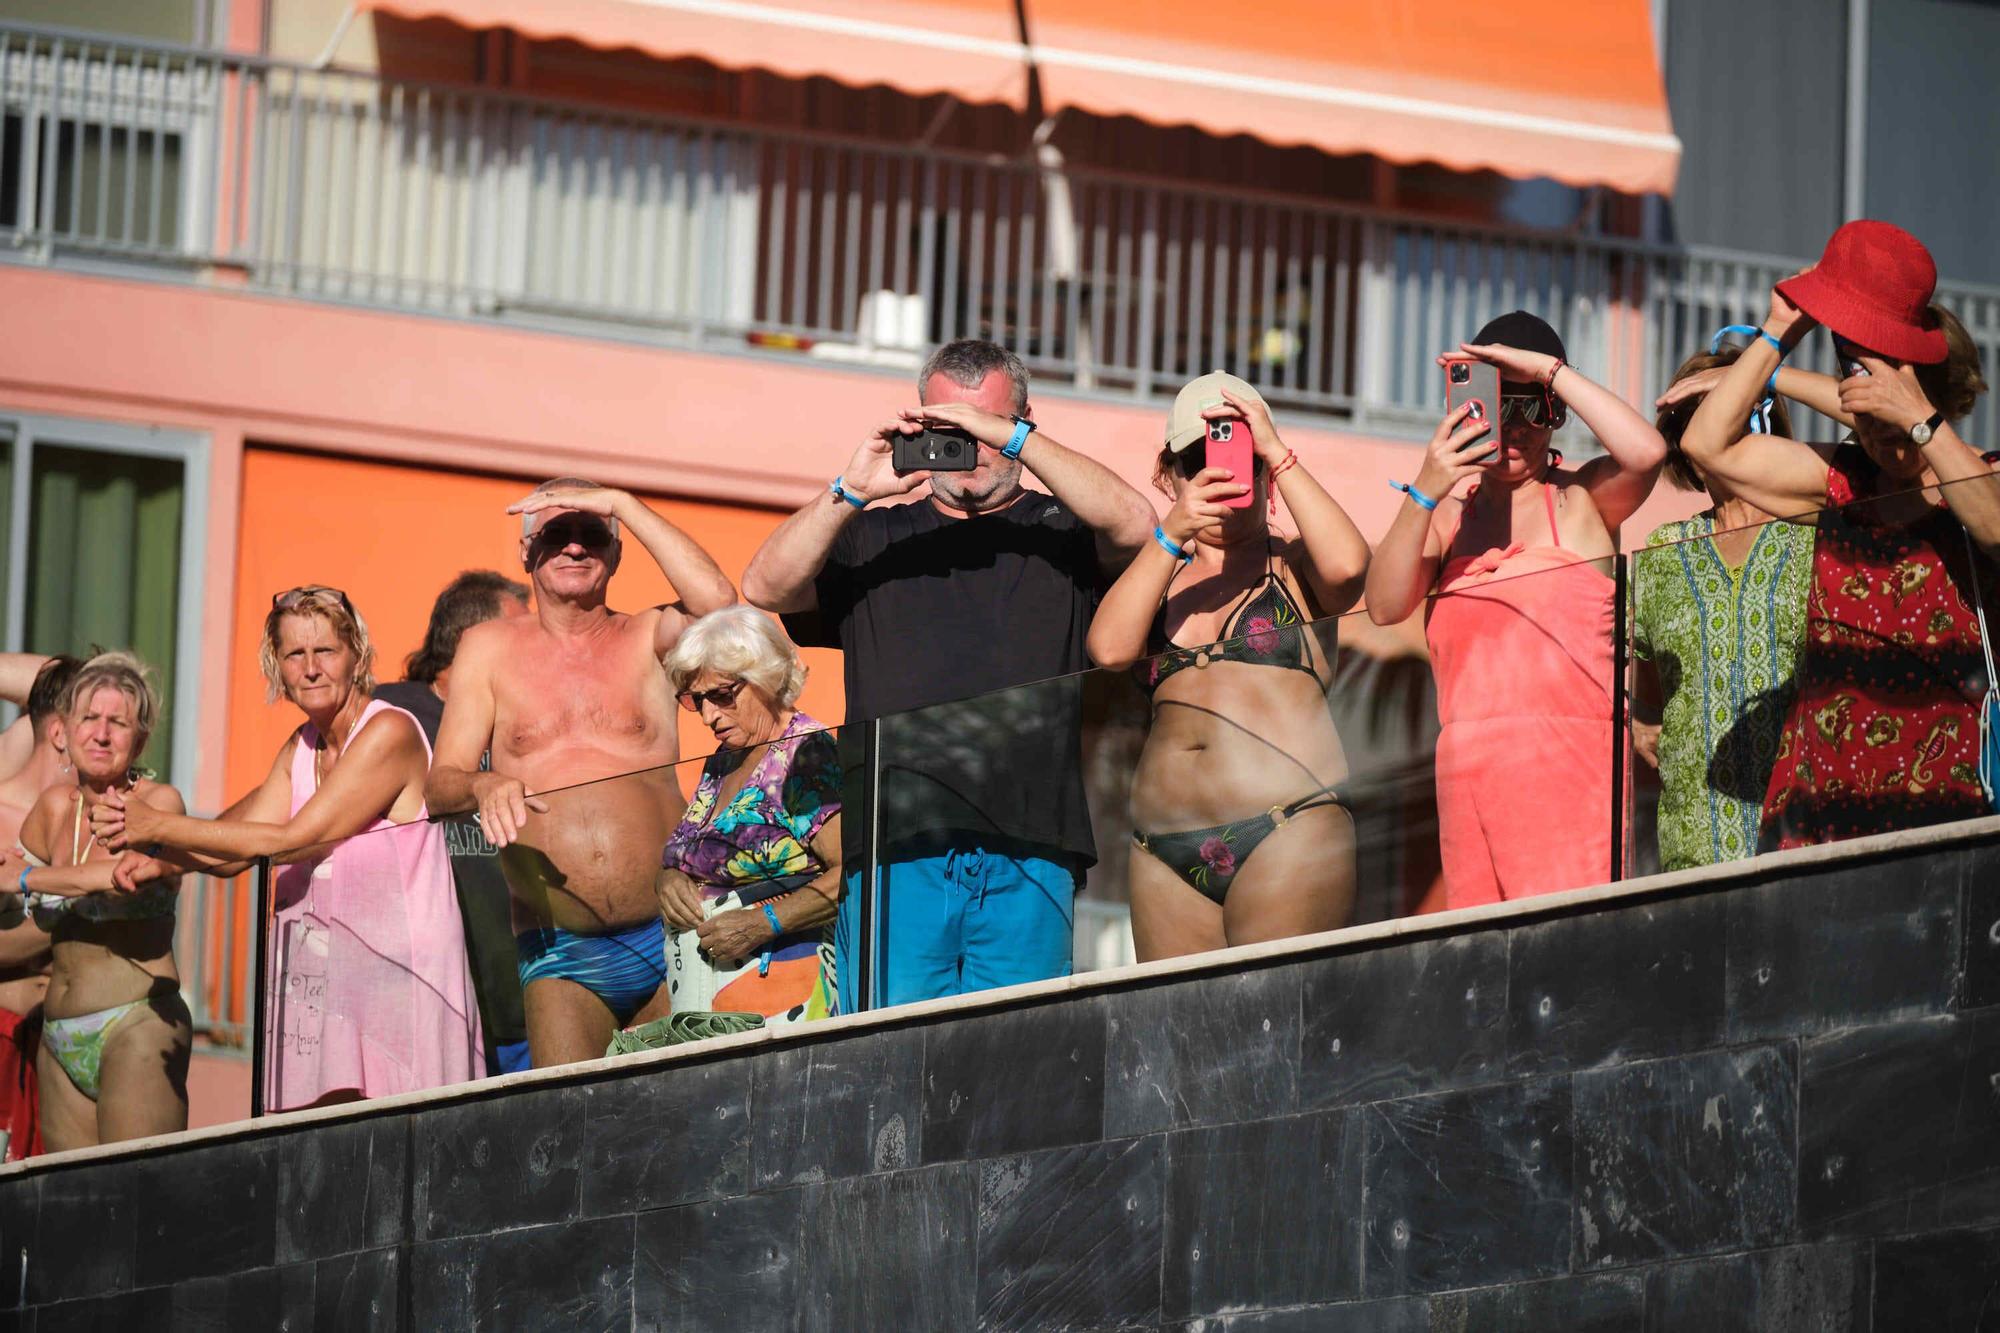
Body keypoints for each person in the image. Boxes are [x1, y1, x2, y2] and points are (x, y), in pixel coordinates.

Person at [742, 338, 1154, 1009]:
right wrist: (851, 489)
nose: (969, 446)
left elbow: (1138, 523)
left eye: (985, 427)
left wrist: (1013, 441)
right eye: (947, 426)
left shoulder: (1063, 534)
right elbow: (763, 584)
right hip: (894, 851)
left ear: (1023, 422)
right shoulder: (869, 536)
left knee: (1018, 1066)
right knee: (890, 1065)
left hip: (1032, 848)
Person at [92, 588, 483, 1112]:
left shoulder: (389, 730)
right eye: (295, 654)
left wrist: (156, 824)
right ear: (277, 666)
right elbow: (236, 852)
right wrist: (161, 854)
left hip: (400, 998)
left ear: (358, 657)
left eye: (326, 651)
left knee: (393, 1165)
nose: (312, 668)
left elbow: (294, 839)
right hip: (327, 998)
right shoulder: (301, 747)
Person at [1679, 220, 1999, 849]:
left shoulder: (1980, 479)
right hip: (1818, 812)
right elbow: (1705, 444)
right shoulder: (1841, 481)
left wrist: (1918, 420)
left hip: (1940, 814)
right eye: (1861, 406)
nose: (1876, 427)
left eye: (1889, 405)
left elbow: (1994, 526)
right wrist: (1778, 336)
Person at [428, 480, 736, 1065]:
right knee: (567, 1131)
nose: (574, 548)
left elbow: (719, 604)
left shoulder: (649, 636)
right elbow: (440, 784)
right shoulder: (487, 648)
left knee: (680, 1119)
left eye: (593, 535)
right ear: (526, 553)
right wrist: (482, 783)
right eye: (555, 535)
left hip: (671, 926)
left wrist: (620, 504)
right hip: (560, 949)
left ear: (617, 553)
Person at [1365, 311, 1668, 906]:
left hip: (1567, 771)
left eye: (1537, 409)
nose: (1519, 427)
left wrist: (1548, 372)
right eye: (1500, 405)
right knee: (1484, 969)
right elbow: (1382, 604)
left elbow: (1646, 451)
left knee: (1569, 951)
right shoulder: (1448, 518)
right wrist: (1429, 483)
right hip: (1467, 780)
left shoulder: (1579, 500)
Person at [1086, 373, 1370, 960]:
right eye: (1196, 460)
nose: (1217, 474)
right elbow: (1109, 651)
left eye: (1241, 457)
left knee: (1274, 1023)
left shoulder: (1293, 565)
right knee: (1176, 1037)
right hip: (1162, 849)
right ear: (1169, 473)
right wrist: (1172, 532)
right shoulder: (1157, 570)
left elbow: (1347, 570)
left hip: (1289, 826)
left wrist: (1278, 453)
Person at [1634, 348, 1815, 870]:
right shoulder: (1663, 552)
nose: (1719, 429)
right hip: (1691, 855)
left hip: (1802, 844)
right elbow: (1630, 669)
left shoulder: (1817, 535)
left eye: (1736, 409)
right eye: (1701, 415)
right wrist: (1635, 721)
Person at [0, 653, 188, 1152]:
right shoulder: (53, 808)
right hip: (59, 1035)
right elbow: (28, 915)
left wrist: (25, 876)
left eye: (118, 722)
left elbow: (115, 876)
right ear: (64, 730)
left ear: (140, 738)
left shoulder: (158, 804)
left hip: (137, 1023)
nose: (101, 734)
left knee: (136, 1202)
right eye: (89, 718)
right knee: (72, 1209)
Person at [375, 571, 535, 1076]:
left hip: (523, 995)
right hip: (429, 1001)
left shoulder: (527, 717)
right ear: (473, 641)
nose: (538, 643)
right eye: (522, 632)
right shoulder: (387, 717)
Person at [657, 607, 841, 1025]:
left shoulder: (803, 756)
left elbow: (852, 874)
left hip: (783, 999)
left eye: (722, 695)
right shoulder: (725, 758)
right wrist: (667, 877)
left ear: (767, 678)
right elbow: (693, 851)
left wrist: (764, 922)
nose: (708, 716)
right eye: (695, 700)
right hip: (710, 998)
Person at [0, 655, 78, 1160]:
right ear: (57, 731)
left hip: (64, 1047)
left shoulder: (90, 820)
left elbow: (51, 680)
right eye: (92, 718)